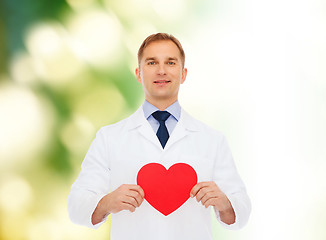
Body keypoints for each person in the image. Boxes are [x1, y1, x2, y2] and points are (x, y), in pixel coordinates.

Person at [67, 33, 251, 240]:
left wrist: (225, 203)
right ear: (138, 73)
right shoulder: (109, 137)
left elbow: (242, 209)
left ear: (183, 74)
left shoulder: (212, 140)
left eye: (170, 62)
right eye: (152, 62)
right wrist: (106, 203)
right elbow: (76, 205)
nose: (161, 70)